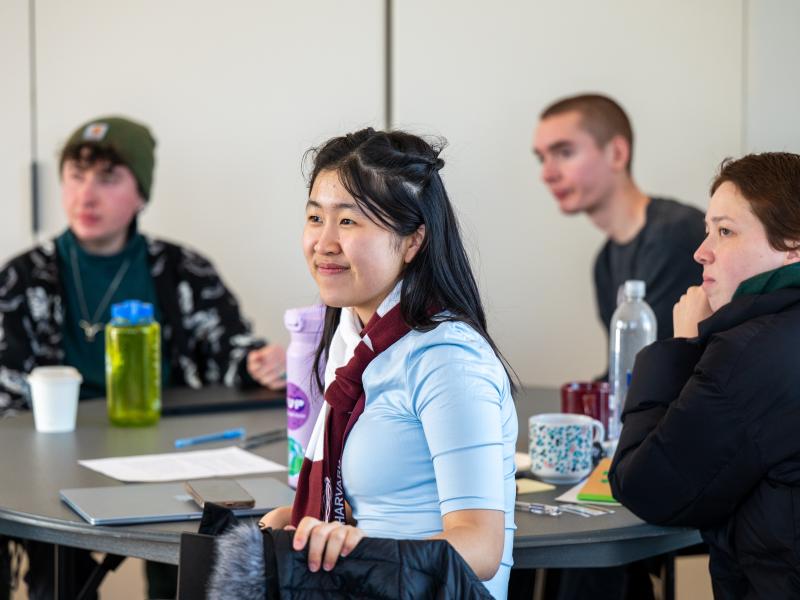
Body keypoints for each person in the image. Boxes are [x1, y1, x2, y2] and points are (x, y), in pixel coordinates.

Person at [0, 115, 286, 598]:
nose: (85, 195)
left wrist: (260, 360)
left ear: (141, 194)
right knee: (55, 571)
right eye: (75, 175)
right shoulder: (21, 278)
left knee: (191, 544)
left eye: (108, 178)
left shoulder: (183, 269)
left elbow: (228, 347)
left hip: (167, 454)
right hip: (50, 463)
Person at [258, 128, 518, 599]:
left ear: (413, 240)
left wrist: (357, 548)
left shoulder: (447, 360)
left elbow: (480, 546)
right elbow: (368, 507)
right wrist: (304, 525)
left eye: (350, 222)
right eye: (315, 217)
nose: (324, 242)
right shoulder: (356, 337)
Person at [610, 152, 800, 598]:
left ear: (792, 244)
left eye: (725, 232)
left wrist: (680, 348)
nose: (702, 252)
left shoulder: (751, 352)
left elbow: (644, 486)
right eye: (707, 231)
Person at [533, 93, 705, 344]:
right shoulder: (604, 262)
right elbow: (622, 368)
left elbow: (651, 366)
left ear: (617, 153)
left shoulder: (675, 235)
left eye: (564, 152)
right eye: (541, 158)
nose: (547, 174)